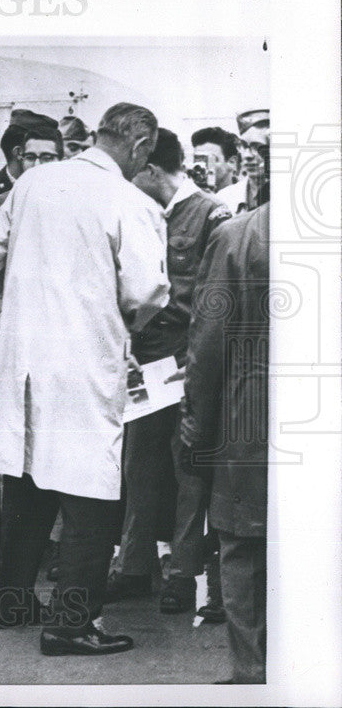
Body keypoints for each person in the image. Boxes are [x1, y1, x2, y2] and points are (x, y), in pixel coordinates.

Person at [0, 103, 170, 655]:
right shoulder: (129, 201)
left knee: (24, 475)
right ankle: (71, 623)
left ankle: (13, 600)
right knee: (92, 490)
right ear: (139, 147)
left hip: (22, 356)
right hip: (85, 361)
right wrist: (125, 328)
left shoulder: (34, 183)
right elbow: (145, 292)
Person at [108, 129, 233, 614]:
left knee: (188, 473)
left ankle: (181, 573)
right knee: (138, 467)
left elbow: (213, 299)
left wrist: (196, 365)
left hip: (185, 365)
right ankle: (133, 567)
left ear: (151, 169)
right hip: (143, 365)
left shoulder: (211, 216)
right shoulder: (136, 212)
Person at [180, 149, 269, 683]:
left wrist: (195, 427)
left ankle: (253, 674)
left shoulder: (237, 237)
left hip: (250, 422)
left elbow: (207, 344)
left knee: (241, 545)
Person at [0, 119, 64, 228]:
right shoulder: (2, 204)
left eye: (47, 158)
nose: (36, 165)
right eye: (30, 157)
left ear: (61, 160)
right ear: (21, 158)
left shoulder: (74, 202)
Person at [191, 126, 239, 194]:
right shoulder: (187, 199)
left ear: (232, 162)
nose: (202, 166)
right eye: (198, 160)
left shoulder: (245, 198)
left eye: (211, 160)